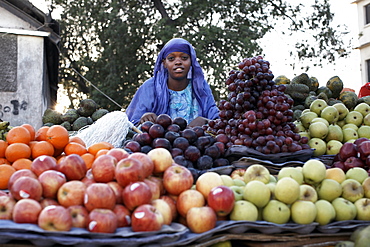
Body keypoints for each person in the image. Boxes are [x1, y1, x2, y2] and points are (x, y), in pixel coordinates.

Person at [126, 38, 219, 127]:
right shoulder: (150, 87)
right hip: (159, 142)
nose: (178, 62)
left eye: (184, 58)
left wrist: (206, 121)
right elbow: (131, 125)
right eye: (171, 58)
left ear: (191, 61)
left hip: (197, 142)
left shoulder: (200, 86)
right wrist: (145, 119)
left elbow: (217, 120)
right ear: (164, 63)